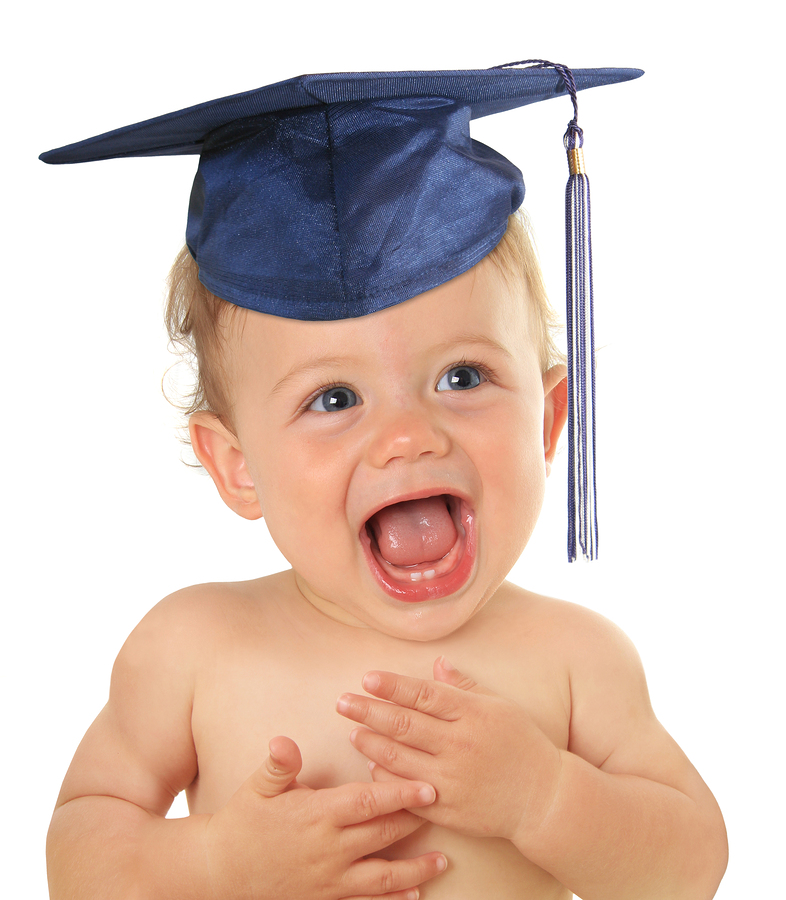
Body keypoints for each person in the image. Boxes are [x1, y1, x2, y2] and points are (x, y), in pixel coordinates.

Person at [41, 63, 727, 899]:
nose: (407, 437)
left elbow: (691, 867)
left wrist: (544, 796)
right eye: (334, 398)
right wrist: (217, 860)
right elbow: (79, 853)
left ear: (547, 421)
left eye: (463, 378)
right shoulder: (193, 646)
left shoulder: (575, 658)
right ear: (236, 466)